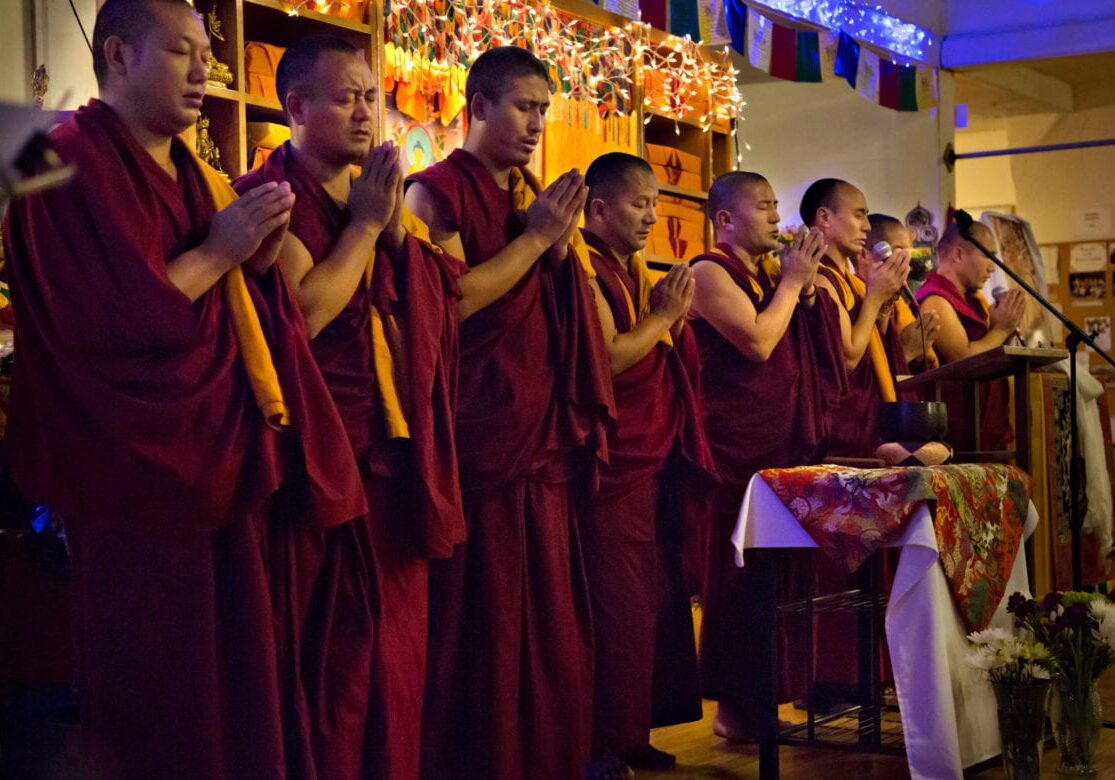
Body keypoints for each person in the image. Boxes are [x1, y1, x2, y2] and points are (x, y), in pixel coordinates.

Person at [1, 2, 371, 776]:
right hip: (133, 469)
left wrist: (257, 255)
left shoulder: (195, 172)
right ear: (118, 55)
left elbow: (232, 304)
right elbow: (115, 323)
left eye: (208, 53)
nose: (207, 70)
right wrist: (227, 245)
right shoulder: (59, 159)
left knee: (239, 677)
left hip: (221, 457)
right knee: (159, 692)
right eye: (182, 52)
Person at [233, 36, 466, 780]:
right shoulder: (269, 194)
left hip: (392, 450)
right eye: (346, 98)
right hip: (321, 460)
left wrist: (389, 229)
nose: (367, 112)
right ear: (295, 108)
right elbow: (303, 310)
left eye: (371, 95)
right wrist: (367, 226)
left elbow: (431, 305)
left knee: (395, 653)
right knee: (331, 657)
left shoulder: (373, 198)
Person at [404, 46, 615, 778]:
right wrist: (535, 241)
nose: (535, 125)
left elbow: (567, 314)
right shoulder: (433, 192)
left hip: (540, 433)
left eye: (542, 112)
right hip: (482, 434)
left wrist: (551, 245)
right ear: (479, 105)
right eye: (523, 108)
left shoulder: (530, 195)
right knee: (486, 620)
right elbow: (453, 301)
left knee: (549, 617)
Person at [689, 171, 843, 741]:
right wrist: (791, 285)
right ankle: (735, 712)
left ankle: (762, 704)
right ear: (725, 219)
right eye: (763, 206)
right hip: (735, 453)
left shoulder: (766, 273)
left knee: (775, 588)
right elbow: (756, 341)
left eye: (777, 204)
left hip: (779, 450)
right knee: (738, 588)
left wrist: (800, 291)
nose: (777, 216)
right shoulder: (708, 271)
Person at [578, 153, 715, 777]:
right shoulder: (583, 267)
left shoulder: (631, 270)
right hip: (612, 469)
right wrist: (664, 319)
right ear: (599, 209)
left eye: (657, 204)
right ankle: (598, 743)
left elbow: (660, 352)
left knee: (651, 606)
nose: (652, 217)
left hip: (651, 463)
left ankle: (633, 732)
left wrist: (670, 320)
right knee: (613, 607)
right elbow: (606, 360)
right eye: (640, 204)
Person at [802, 178, 909, 457]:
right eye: (859, 214)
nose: (867, 226)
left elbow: (874, 342)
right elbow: (848, 358)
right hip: (843, 427)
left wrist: (883, 302)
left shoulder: (851, 281)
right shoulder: (820, 279)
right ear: (824, 217)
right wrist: (874, 298)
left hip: (868, 421)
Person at [916, 223, 1024, 450]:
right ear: (958, 254)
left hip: (984, 427)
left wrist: (1003, 330)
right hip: (957, 435)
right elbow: (964, 359)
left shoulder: (973, 301)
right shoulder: (935, 300)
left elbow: (988, 349)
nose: (993, 267)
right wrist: (1001, 329)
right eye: (988, 255)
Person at [862, 213, 940, 372]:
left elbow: (924, 366)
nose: (907, 262)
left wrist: (919, 349)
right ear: (865, 254)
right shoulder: (854, 297)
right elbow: (859, 374)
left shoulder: (897, 301)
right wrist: (905, 352)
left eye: (908, 253)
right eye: (898, 251)